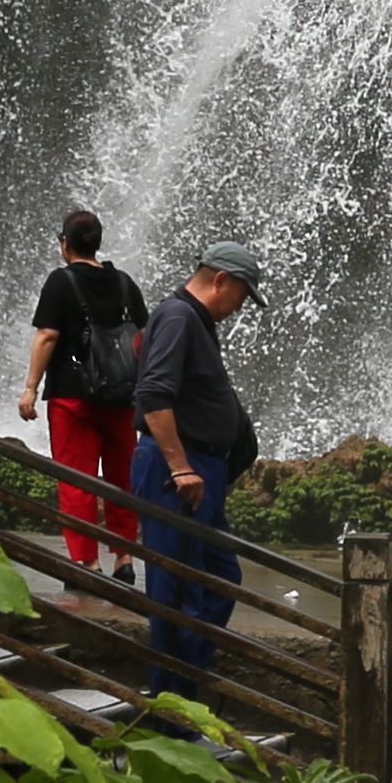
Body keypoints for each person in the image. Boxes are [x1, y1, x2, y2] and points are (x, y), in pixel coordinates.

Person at [132, 248, 261, 701]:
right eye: (243, 295)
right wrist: (181, 466)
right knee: (178, 588)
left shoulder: (193, 321)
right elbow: (153, 393)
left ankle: (183, 688)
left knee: (218, 578)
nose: (241, 306)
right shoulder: (179, 317)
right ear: (221, 280)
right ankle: (170, 702)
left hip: (199, 470)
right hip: (178, 471)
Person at [19, 212, 148, 583]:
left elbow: (47, 336)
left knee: (77, 479)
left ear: (65, 243)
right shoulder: (125, 283)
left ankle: (86, 563)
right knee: (122, 478)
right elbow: (144, 337)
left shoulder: (61, 282)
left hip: (73, 399)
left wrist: (30, 387)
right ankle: (124, 557)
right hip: (122, 397)